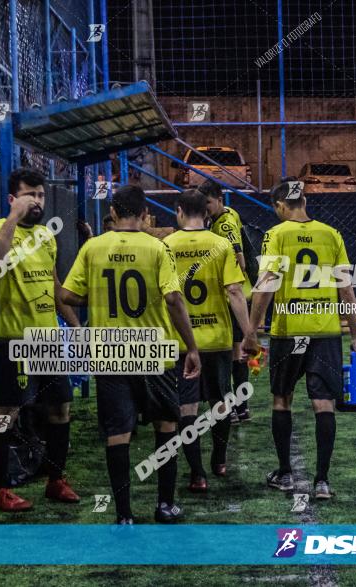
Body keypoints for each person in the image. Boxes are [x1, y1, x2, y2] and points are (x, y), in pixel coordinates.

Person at [61, 185, 201, 524]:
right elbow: (173, 299)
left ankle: (124, 514)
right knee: (166, 425)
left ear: (112, 213)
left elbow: (66, 295)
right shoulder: (157, 247)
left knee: (118, 433)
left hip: (110, 349)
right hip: (154, 348)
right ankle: (165, 506)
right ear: (143, 215)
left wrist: (95, 302)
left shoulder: (93, 247)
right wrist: (192, 347)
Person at [242, 177, 356, 500]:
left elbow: (266, 285)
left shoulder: (276, 235)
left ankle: (285, 474)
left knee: (282, 398)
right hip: (325, 332)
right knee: (323, 403)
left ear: (280, 206)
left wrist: (251, 331)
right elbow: (346, 289)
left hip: (288, 331)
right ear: (304, 202)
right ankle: (322, 481)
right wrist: (355, 337)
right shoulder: (331, 234)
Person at [0, 167, 82, 512]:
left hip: (47, 339)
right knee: (5, 414)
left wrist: (76, 327)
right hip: (11, 339)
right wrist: (13, 216)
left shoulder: (46, 236)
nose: (37, 201)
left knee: (60, 408)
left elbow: (55, 288)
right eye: (29, 195)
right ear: (12, 198)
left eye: (40, 195)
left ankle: (56, 480)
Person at [163, 189, 252, 491]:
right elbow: (235, 292)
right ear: (206, 211)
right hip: (217, 339)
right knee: (221, 402)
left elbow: (166, 296)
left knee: (187, 408)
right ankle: (220, 460)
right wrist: (249, 332)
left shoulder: (166, 245)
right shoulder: (221, 244)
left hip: (180, 342)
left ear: (178, 211)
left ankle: (197, 473)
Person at [201, 180, 253, 423]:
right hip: (239, 295)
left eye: (209, 203)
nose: (206, 207)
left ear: (219, 200)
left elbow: (240, 262)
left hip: (234, 297)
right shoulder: (229, 213)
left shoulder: (225, 226)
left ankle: (234, 407)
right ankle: (240, 407)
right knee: (235, 353)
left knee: (232, 353)